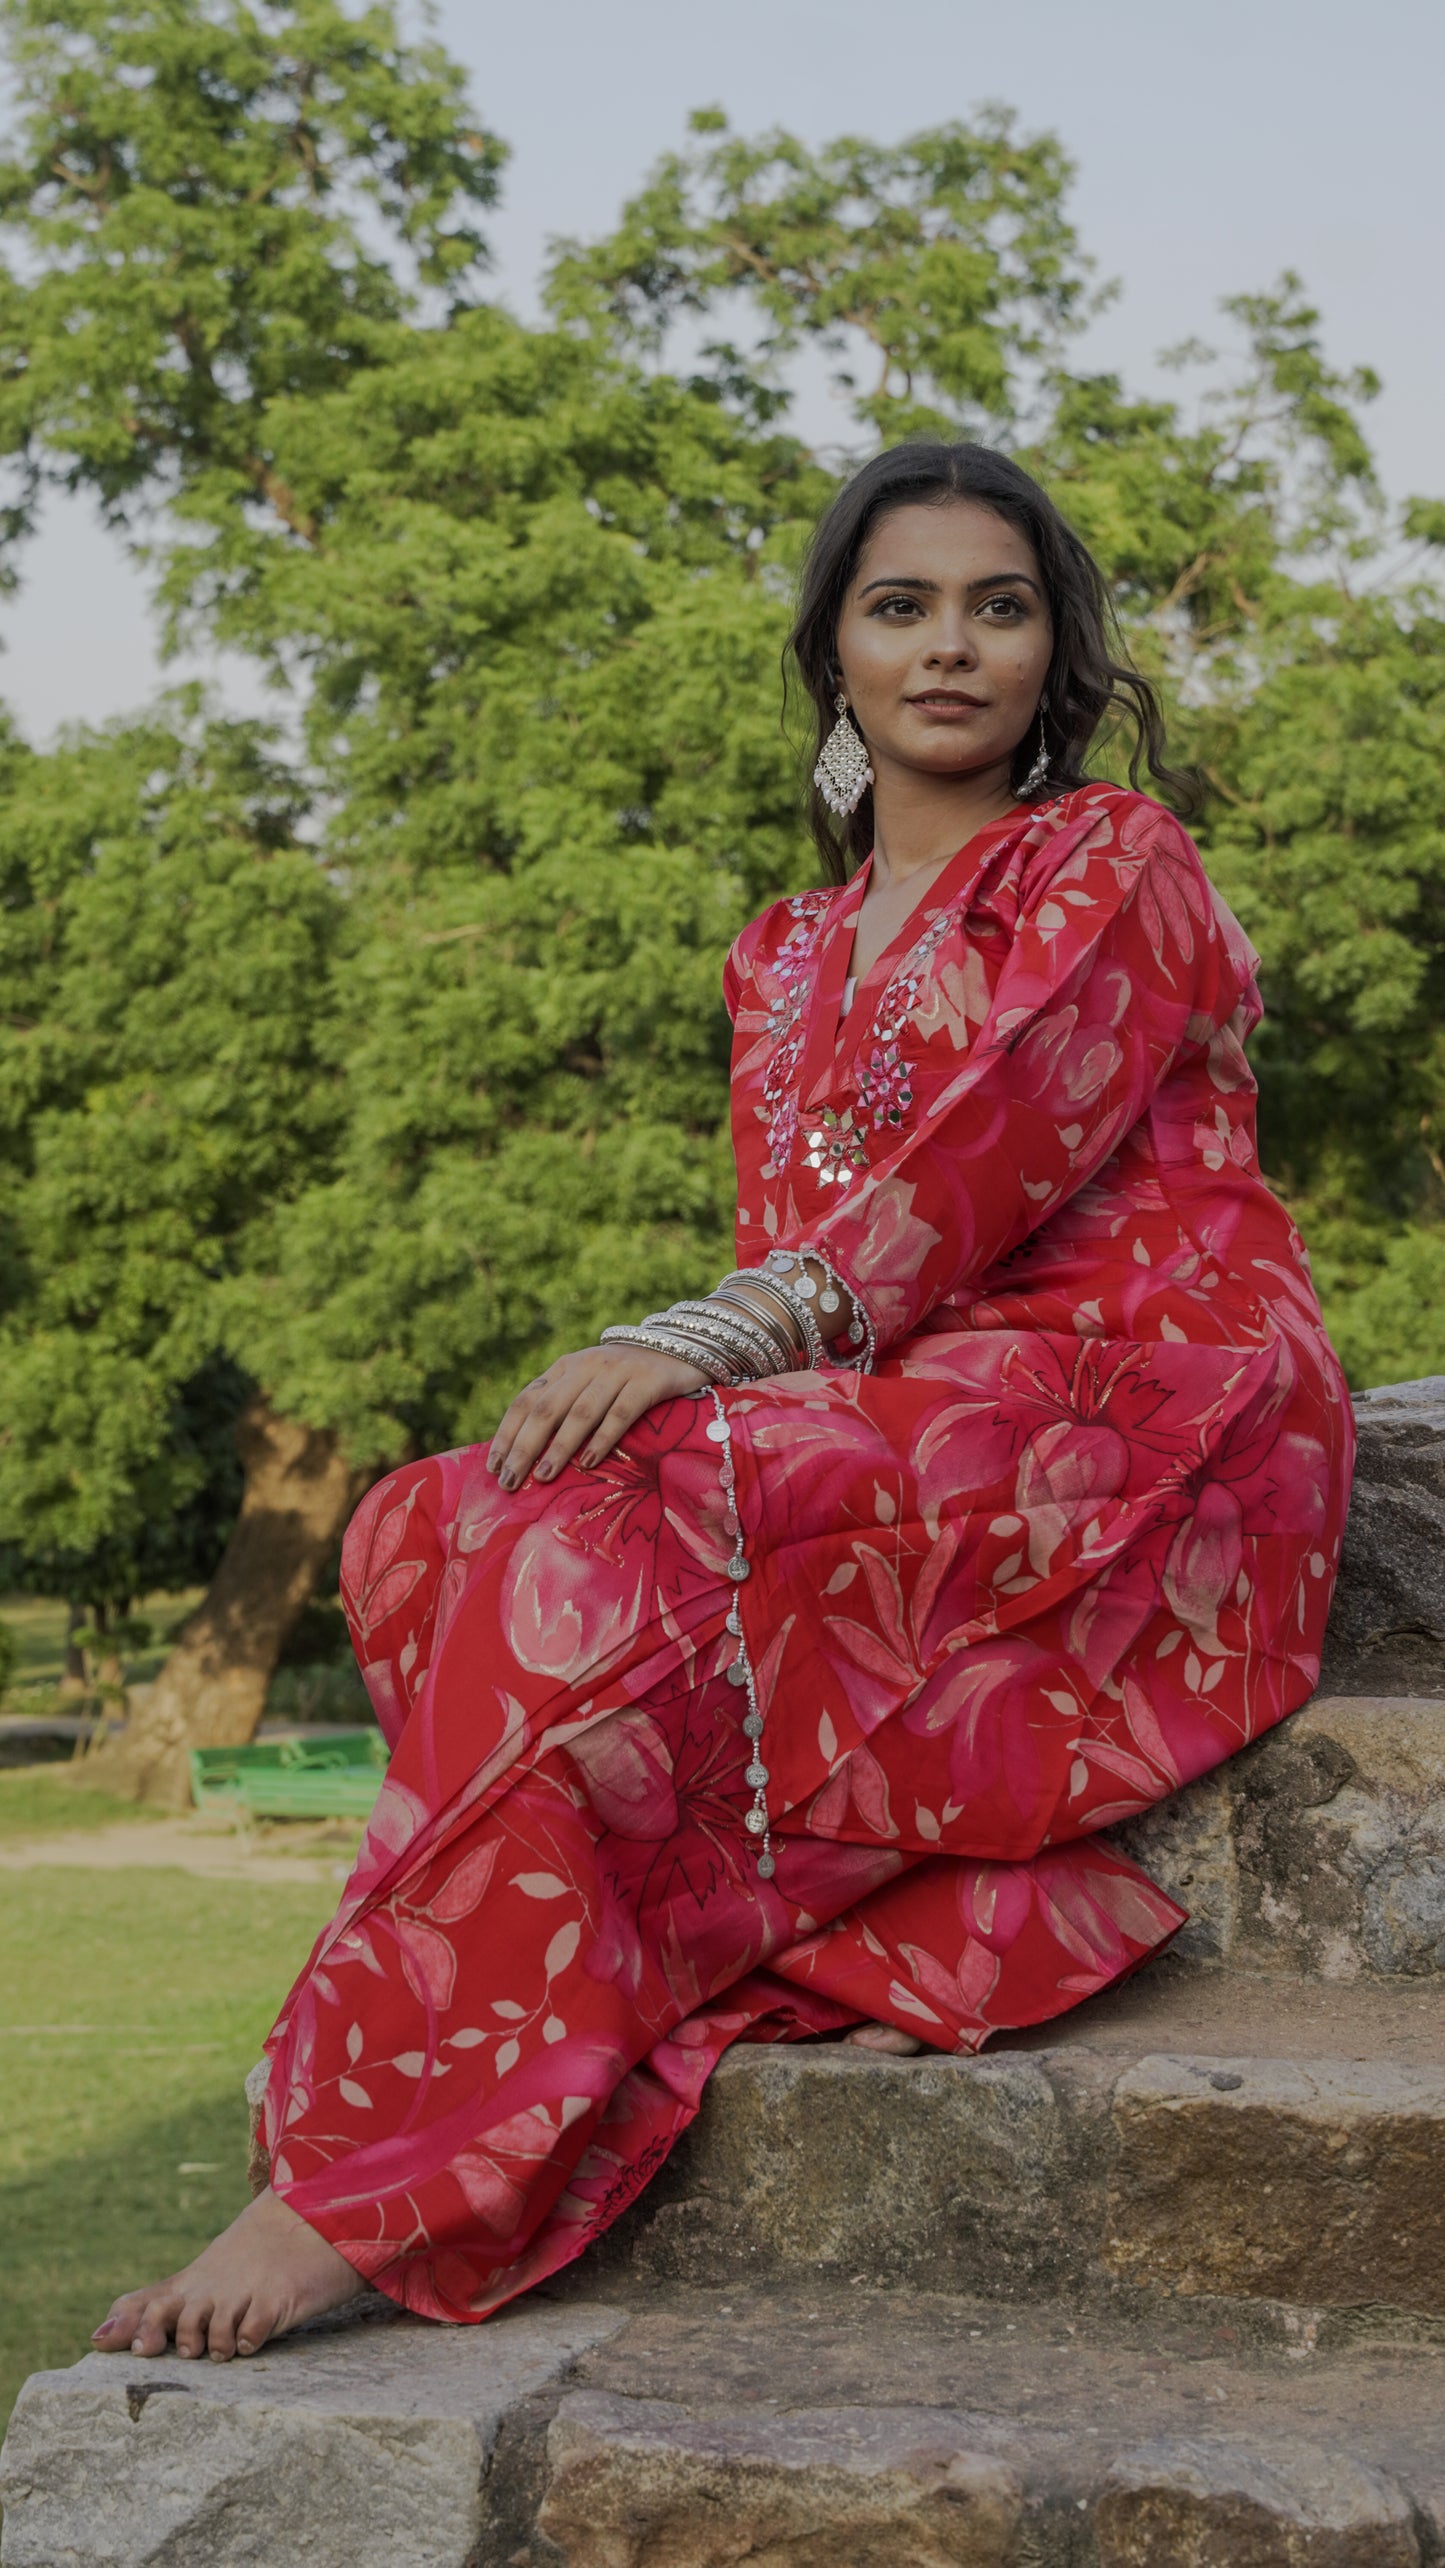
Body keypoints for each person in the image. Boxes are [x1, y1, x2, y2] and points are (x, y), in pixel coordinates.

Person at [94, 440, 1352, 2364]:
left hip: (1155, 1402)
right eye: (900, 604)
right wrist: (709, 1372)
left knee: (609, 1521)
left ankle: (360, 2184)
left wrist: (693, 1347)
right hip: (913, 1397)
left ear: (1053, 654)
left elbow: (993, 1151)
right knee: (443, 1515)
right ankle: (456, 2083)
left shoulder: (1107, 861)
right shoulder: (775, 953)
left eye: (997, 607)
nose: (950, 647)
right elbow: (813, 1261)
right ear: (835, 653)